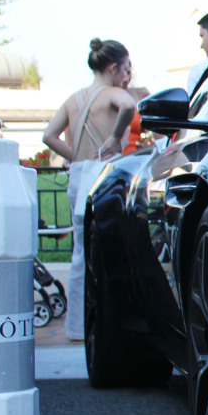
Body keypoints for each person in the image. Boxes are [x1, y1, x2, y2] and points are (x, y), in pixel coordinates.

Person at [42, 39, 137, 342]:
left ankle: (77, 327)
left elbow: (48, 135)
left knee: (80, 253)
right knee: (112, 251)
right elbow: (129, 106)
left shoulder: (74, 98)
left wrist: (75, 157)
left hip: (79, 175)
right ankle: (113, 323)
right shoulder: (112, 93)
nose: (127, 77)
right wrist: (115, 137)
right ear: (113, 67)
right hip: (103, 175)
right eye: (126, 69)